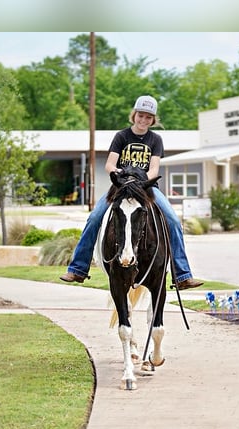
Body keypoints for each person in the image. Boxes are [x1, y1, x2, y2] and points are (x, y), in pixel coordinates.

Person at [60, 95, 204, 291]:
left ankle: (182, 275)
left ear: (153, 120)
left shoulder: (155, 139)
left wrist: (140, 181)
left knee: (172, 219)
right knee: (94, 217)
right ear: (134, 115)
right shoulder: (122, 136)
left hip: (146, 187)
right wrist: (121, 175)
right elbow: (110, 164)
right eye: (140, 115)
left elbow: (154, 169)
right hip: (120, 186)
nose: (143, 120)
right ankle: (78, 268)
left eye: (148, 117)